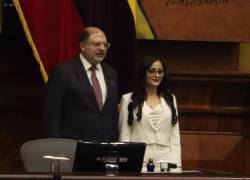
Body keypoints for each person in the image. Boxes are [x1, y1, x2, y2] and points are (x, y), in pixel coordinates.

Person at [42, 26, 119, 141]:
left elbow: (112, 115)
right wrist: (55, 149)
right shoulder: (63, 72)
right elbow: (52, 115)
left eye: (105, 44)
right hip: (73, 147)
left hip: (104, 146)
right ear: (82, 46)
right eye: (97, 44)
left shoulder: (111, 74)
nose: (102, 48)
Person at [118, 56, 181, 172]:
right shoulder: (128, 99)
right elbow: (124, 135)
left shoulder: (171, 99)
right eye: (152, 71)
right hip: (138, 160)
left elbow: (174, 136)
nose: (157, 75)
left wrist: (176, 167)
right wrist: (126, 165)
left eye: (160, 72)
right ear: (143, 73)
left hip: (165, 161)